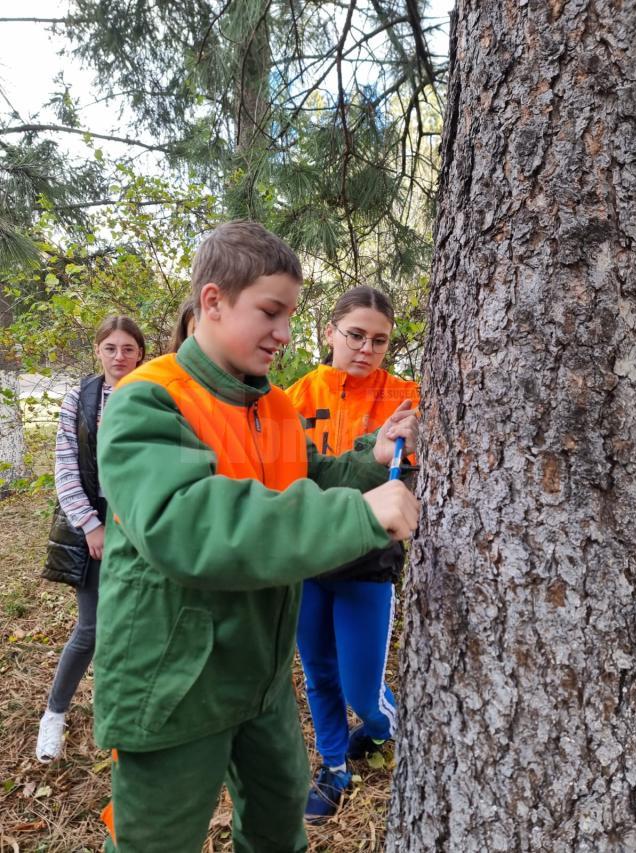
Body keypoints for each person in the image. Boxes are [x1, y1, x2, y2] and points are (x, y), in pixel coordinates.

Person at [92, 221, 419, 853]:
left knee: (276, 828)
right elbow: (187, 523)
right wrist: (359, 516)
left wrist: (369, 459)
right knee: (155, 840)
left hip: (261, 678)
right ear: (212, 301)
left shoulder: (270, 405)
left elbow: (310, 475)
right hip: (174, 683)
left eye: (291, 315)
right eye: (270, 312)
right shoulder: (150, 401)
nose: (285, 334)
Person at [285, 286, 420, 821]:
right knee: (319, 673)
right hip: (308, 558)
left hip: (368, 562)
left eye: (379, 341)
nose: (365, 349)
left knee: (364, 691)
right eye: (355, 335)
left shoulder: (408, 395)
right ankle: (334, 765)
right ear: (329, 332)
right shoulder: (293, 397)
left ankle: (387, 728)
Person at [36, 316, 146, 763]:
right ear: (98, 351)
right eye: (110, 348)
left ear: (141, 352)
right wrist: (90, 525)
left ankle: (128, 717)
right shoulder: (79, 401)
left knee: (141, 623)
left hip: (143, 520)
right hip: (98, 522)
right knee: (92, 628)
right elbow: (65, 467)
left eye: (128, 348)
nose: (119, 357)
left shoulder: (155, 394)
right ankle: (54, 716)